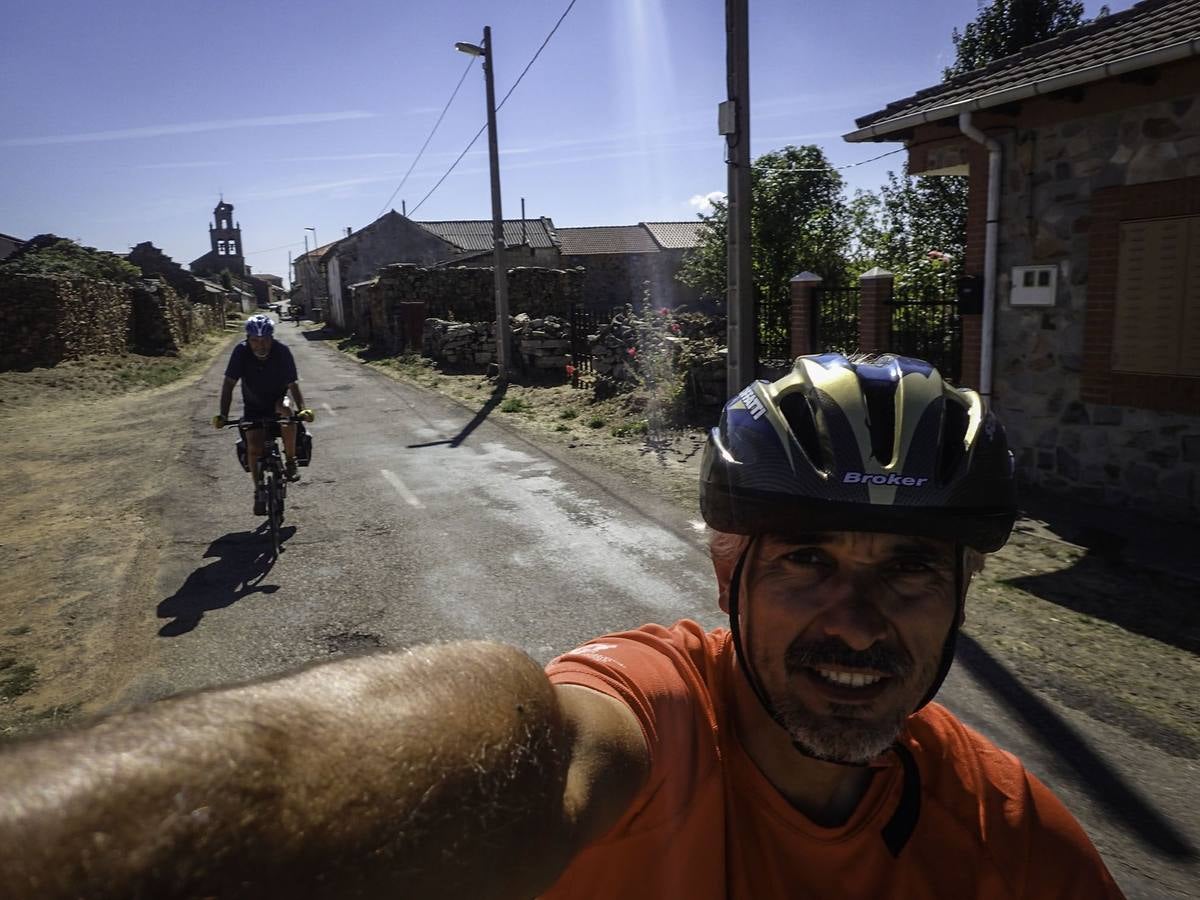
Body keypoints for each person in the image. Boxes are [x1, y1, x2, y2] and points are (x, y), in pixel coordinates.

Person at [0, 354, 1123, 899]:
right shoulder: (661, 715)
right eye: (809, 563)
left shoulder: (1004, 837)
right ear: (726, 569)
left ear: (966, 588)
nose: (858, 624)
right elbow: (530, 746)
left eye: (913, 569)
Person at [212, 314, 314, 514]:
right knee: (254, 447)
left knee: (286, 412)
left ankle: (291, 461)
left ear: (272, 338)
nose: (261, 345)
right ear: (248, 340)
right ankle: (258, 490)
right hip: (254, 406)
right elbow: (228, 385)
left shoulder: (282, 351)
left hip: (278, 400)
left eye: (265, 340)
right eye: (255, 341)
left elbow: (293, 384)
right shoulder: (240, 352)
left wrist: (301, 409)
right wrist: (223, 415)